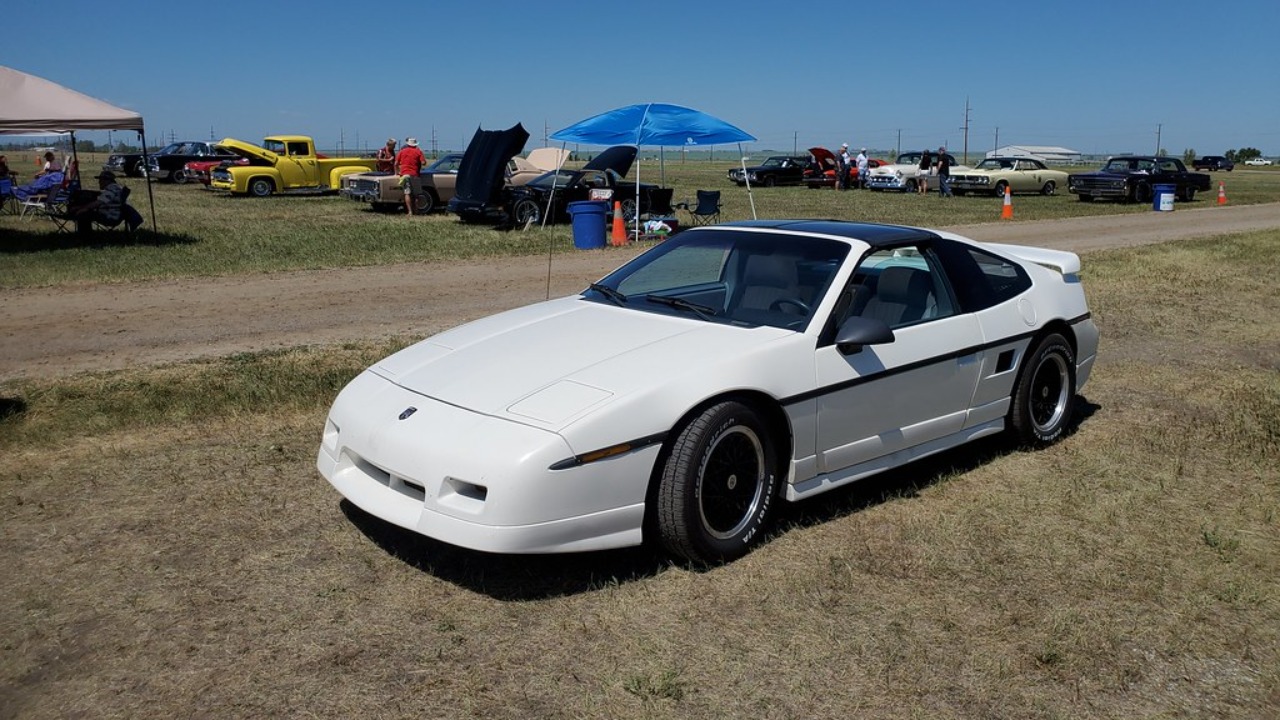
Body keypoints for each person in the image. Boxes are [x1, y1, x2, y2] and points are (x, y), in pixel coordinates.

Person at [394, 137, 426, 215]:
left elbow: (396, 164)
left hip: (405, 174)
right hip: (415, 174)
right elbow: (423, 163)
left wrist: (396, 172)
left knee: (407, 193)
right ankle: (416, 210)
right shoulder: (418, 152)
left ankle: (410, 211)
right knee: (416, 194)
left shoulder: (401, 152)